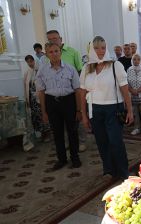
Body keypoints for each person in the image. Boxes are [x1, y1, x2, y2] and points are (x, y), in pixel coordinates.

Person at [80, 36, 133, 179]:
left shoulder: (116, 66)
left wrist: (130, 110)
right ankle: (109, 170)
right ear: (91, 49)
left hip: (113, 109)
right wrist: (84, 115)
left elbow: (125, 89)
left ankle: (123, 171)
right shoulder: (86, 68)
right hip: (95, 110)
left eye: (103, 47)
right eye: (96, 48)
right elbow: (82, 93)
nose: (100, 51)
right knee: (102, 142)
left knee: (115, 141)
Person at [35, 42, 82, 170]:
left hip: (68, 102)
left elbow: (78, 90)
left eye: (56, 51)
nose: (54, 54)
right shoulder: (42, 71)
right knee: (57, 133)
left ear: (60, 52)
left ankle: (75, 158)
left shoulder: (70, 69)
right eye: (51, 52)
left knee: (72, 131)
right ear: (46, 54)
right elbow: (41, 92)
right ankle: (61, 159)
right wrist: (44, 112)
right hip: (52, 103)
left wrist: (79, 109)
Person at [45, 30, 86, 152]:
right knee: (60, 123)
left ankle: (81, 141)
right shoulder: (46, 56)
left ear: (61, 39)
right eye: (50, 39)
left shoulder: (73, 52)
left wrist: (79, 90)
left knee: (76, 119)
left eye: (55, 38)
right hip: (54, 95)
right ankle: (68, 143)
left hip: (71, 92)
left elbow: (80, 70)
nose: (53, 41)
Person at [24, 55, 50, 142]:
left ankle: (47, 133)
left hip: (40, 97)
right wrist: (27, 99)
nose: (30, 63)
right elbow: (26, 86)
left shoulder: (41, 70)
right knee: (36, 117)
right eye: (28, 62)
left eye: (31, 61)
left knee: (43, 114)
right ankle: (41, 134)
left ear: (34, 61)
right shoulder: (27, 73)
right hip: (32, 99)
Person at [127, 54, 141, 136]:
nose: (136, 61)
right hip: (132, 95)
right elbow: (127, 82)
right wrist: (132, 90)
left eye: (138, 59)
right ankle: (136, 128)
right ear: (132, 60)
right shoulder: (129, 70)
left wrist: (137, 91)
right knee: (135, 112)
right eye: (134, 59)